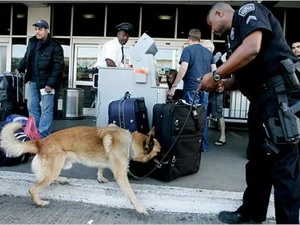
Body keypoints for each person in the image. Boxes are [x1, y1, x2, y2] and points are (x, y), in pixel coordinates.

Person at [199, 2, 300, 224]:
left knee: (283, 166)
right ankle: (252, 213)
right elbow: (242, 74)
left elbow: (252, 48)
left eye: (211, 24)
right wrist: (225, 83)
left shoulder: (248, 12)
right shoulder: (234, 39)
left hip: (277, 97)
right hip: (261, 102)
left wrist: (215, 76)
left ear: (219, 12)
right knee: (256, 162)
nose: (212, 29)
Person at [167, 29, 216, 152]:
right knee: (202, 117)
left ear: (189, 38)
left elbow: (183, 69)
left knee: (190, 118)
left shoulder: (188, 50)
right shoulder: (208, 53)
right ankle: (202, 146)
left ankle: (190, 146)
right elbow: (215, 71)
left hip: (191, 89)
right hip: (205, 90)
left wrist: (173, 87)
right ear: (199, 39)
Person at [17, 19, 64, 138]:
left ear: (47, 30)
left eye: (40, 29)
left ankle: (43, 135)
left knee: (46, 109)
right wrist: (20, 67)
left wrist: (50, 84)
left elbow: (58, 67)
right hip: (33, 81)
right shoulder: (32, 42)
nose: (37, 32)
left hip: (47, 83)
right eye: (36, 29)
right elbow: (26, 58)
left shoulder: (55, 46)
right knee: (32, 107)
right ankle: (35, 133)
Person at [201, 40, 227, 146]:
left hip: (216, 91)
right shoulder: (211, 59)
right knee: (208, 114)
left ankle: (223, 136)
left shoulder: (218, 59)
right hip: (209, 90)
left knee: (218, 113)